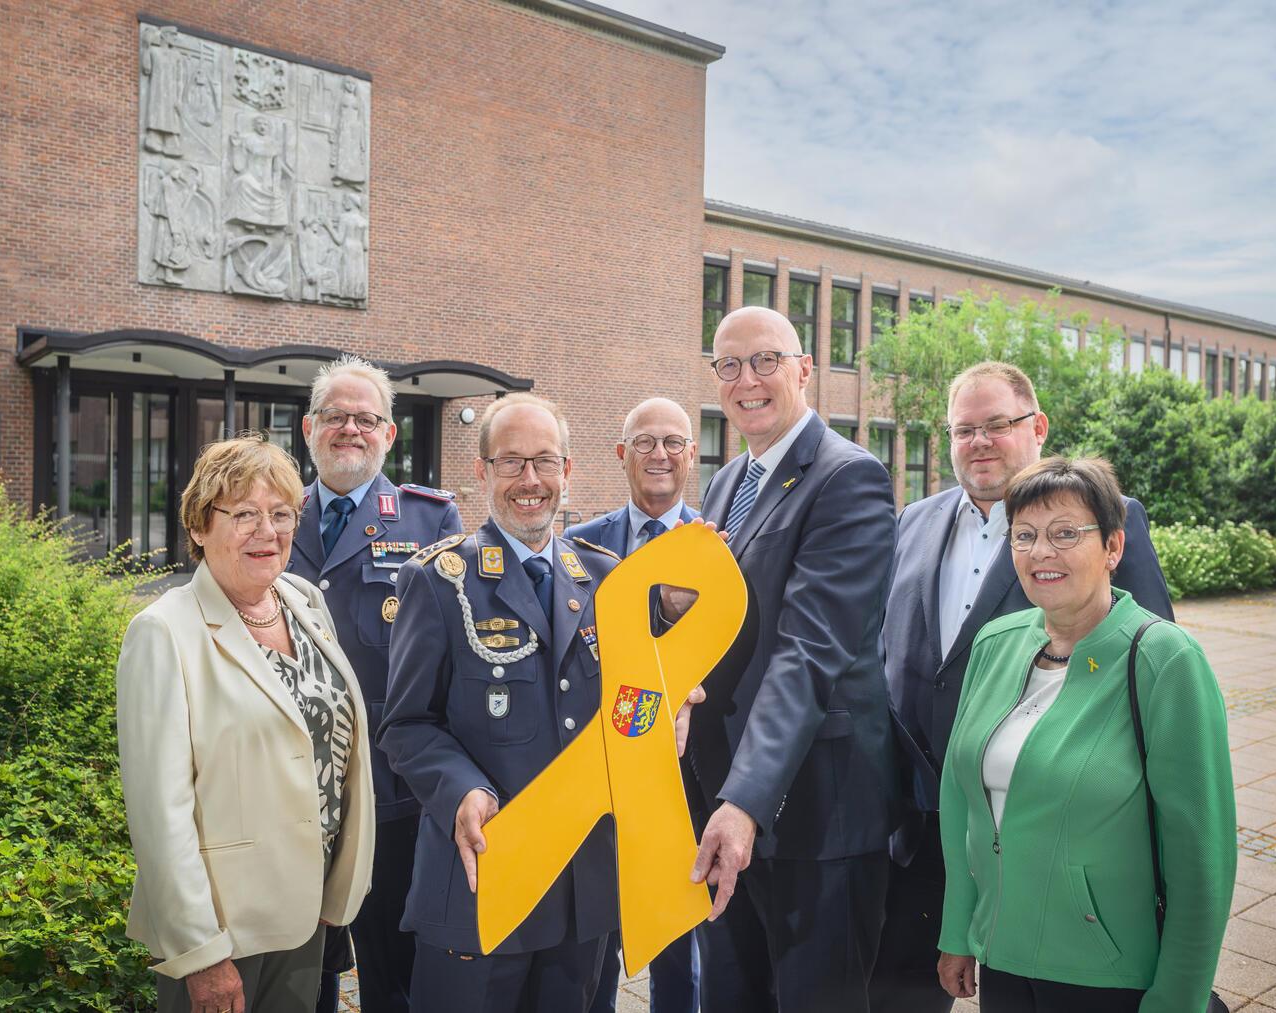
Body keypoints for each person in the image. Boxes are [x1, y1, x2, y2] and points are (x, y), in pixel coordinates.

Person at [871, 361, 1174, 1012]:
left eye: (998, 425)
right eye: (963, 429)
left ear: (1037, 427)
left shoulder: (1107, 519)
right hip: (915, 833)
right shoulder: (913, 522)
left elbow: (1141, 676)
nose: (979, 441)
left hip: (1039, 837)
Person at [381, 391, 688, 1013]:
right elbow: (408, 726)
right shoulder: (438, 581)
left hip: (583, 895)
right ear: (482, 472)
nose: (530, 481)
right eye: (511, 462)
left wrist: (667, 711)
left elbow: (632, 705)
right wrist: (462, 789)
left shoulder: (608, 580)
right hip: (483, 882)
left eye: (545, 463)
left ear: (568, 472)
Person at [936, 456, 1234, 1011]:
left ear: (1114, 548)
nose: (1040, 552)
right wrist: (959, 931)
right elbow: (960, 801)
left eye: (1065, 533)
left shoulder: (1166, 660)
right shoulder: (995, 643)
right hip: (1002, 957)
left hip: (1107, 974)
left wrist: (1179, 998)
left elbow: (1202, 858)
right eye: (1023, 535)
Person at [116, 435, 375, 1013]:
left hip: (306, 912)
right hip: (225, 926)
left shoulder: (303, 599)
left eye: (282, 514)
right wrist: (201, 953)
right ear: (200, 526)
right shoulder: (163, 632)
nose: (268, 530)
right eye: (245, 514)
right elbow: (160, 814)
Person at [687, 306, 899, 1013]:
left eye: (767, 360)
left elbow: (808, 650)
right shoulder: (726, 484)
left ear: (805, 369)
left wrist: (745, 799)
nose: (748, 380)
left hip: (817, 817)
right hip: (730, 805)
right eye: (729, 365)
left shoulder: (848, 479)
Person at [287, 356, 463, 1013]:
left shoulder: (430, 520)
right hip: (293, 787)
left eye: (367, 418)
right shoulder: (276, 514)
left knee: (394, 973)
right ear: (310, 427)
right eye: (335, 416)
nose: (350, 429)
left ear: (390, 434)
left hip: (391, 793)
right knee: (305, 974)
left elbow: (452, 663)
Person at [565, 396, 701, 1013]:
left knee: (679, 938)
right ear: (621, 455)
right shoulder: (577, 547)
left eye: (673, 441)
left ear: (692, 456)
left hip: (685, 773)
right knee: (595, 937)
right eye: (644, 442)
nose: (660, 455)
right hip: (603, 771)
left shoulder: (717, 548)